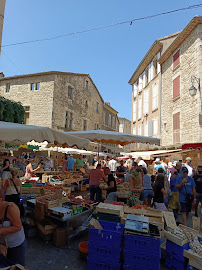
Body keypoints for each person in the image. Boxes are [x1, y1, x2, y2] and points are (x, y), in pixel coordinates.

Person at [0, 190, 26, 266]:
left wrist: (1, 231)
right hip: (2, 245)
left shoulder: (10, 208)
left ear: (1, 199)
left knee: (17, 266)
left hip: (16, 245)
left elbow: (18, 227)